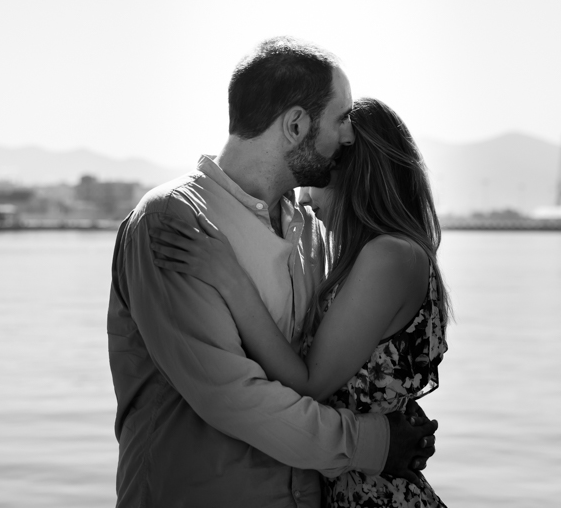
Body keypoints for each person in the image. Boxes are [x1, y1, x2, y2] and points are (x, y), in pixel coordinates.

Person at [107, 37, 437, 507]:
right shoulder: (175, 222)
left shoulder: (312, 234)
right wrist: (374, 442)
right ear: (297, 124)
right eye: (341, 118)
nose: (349, 136)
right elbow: (235, 398)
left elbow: (328, 370)